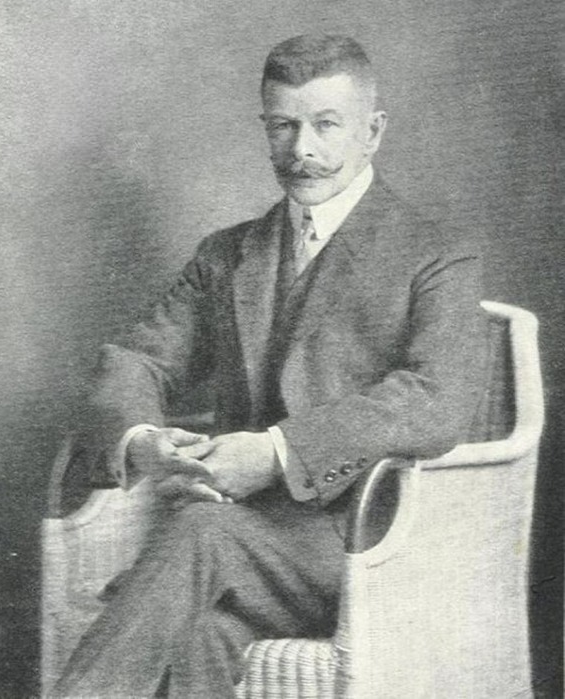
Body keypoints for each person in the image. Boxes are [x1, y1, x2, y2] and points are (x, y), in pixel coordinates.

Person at [53, 34, 487, 697]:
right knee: (199, 636)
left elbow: (436, 397)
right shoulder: (226, 255)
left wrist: (277, 452)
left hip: (369, 546)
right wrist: (143, 441)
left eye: (325, 125)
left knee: (199, 532)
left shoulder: (435, 255)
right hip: (238, 543)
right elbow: (137, 359)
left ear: (372, 132)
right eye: (283, 126)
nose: (301, 149)